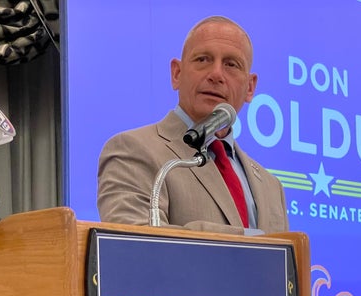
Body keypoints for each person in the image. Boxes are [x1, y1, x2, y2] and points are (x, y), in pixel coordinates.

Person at [97, 16, 288, 235]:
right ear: (176, 73)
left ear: (250, 88)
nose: (216, 74)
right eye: (203, 60)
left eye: (231, 64)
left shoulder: (271, 187)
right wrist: (249, 238)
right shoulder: (133, 150)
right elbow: (135, 242)